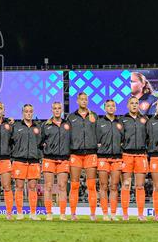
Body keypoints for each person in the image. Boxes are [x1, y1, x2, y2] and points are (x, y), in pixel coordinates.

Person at [67, 92, 98, 220]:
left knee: (91, 185)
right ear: (77, 101)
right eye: (82, 99)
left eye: (86, 99)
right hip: (75, 154)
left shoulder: (94, 116)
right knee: (74, 185)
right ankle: (73, 214)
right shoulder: (71, 117)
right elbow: (66, 135)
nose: (84, 101)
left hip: (91, 153)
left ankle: (92, 214)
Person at [119, 97, 149, 221]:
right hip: (126, 155)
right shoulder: (122, 120)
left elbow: (149, 137)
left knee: (140, 186)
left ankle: (140, 214)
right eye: (132, 103)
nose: (134, 105)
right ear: (128, 105)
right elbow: (118, 137)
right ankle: (125, 214)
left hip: (141, 155)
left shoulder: (145, 120)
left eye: (136, 103)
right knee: (126, 185)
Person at [10, 104, 42, 220]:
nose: (28, 113)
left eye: (30, 111)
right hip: (19, 160)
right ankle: (19, 213)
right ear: (22, 113)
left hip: (34, 160)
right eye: (26, 111)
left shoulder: (38, 127)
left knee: (32, 187)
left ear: (32, 113)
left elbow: (41, 143)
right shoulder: (16, 126)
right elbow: (10, 142)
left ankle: (33, 213)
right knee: (19, 187)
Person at [40, 101, 70, 220]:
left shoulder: (67, 124)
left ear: (61, 110)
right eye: (55, 108)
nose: (57, 110)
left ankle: (62, 214)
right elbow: (40, 142)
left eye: (59, 108)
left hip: (63, 159)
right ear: (52, 110)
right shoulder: (45, 125)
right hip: (49, 158)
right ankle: (49, 213)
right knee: (48, 186)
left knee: (62, 186)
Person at [95, 100, 124, 220]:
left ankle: (113, 213)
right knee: (103, 185)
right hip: (103, 157)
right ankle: (105, 213)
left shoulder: (120, 123)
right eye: (108, 106)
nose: (111, 108)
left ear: (116, 108)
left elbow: (124, 139)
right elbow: (95, 139)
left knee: (114, 186)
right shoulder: (99, 122)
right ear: (104, 108)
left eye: (113, 106)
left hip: (117, 157)